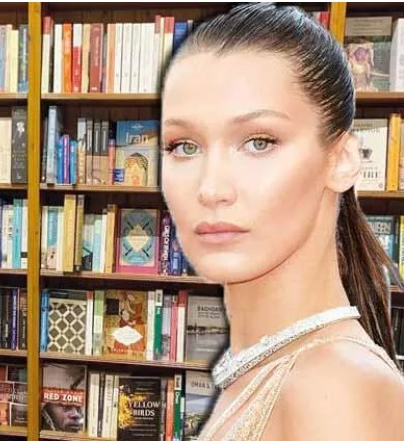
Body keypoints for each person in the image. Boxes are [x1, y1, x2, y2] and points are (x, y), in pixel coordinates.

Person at [160, 3, 404, 440]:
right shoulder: (269, 367)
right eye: (184, 146)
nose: (211, 188)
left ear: (342, 160)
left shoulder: (336, 390)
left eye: (259, 142)